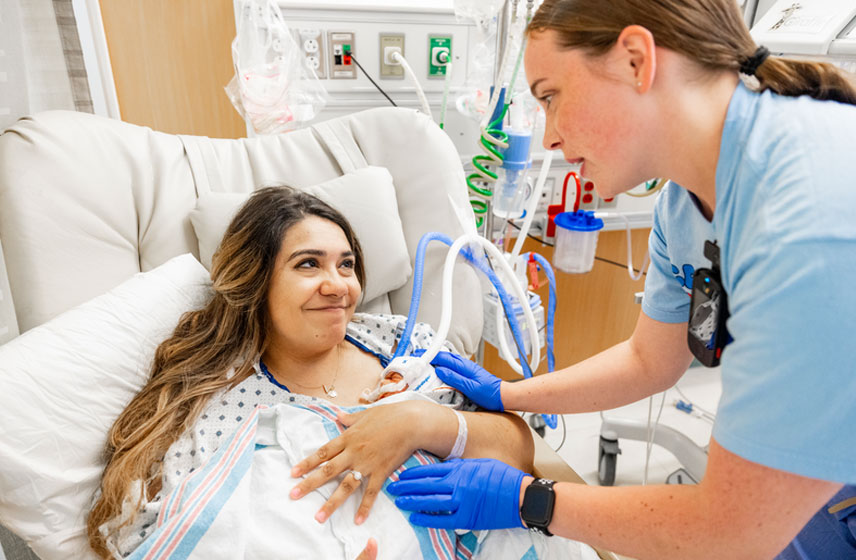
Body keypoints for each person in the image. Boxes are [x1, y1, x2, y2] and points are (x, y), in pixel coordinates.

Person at [386, 1, 856, 559]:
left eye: (551, 97)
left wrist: (530, 500)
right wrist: (506, 393)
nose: (550, 138)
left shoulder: (812, 216)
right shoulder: (684, 205)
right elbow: (649, 360)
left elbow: (728, 533)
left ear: (636, 60)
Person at [86, 187, 548, 559]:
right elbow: (171, 535)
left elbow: (522, 453)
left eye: (346, 264)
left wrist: (422, 422)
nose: (339, 286)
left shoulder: (404, 344)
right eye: (309, 264)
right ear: (256, 280)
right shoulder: (220, 409)